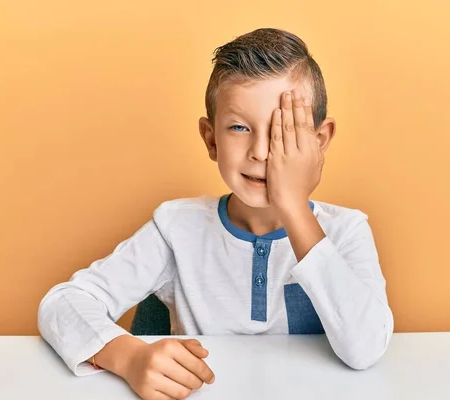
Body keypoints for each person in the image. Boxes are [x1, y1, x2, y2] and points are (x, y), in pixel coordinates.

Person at [38, 27, 394, 400]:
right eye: (239, 127)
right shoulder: (176, 228)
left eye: (281, 131)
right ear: (211, 139)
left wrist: (292, 207)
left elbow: (365, 349)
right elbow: (61, 304)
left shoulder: (347, 231)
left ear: (319, 142)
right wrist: (130, 358)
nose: (260, 151)